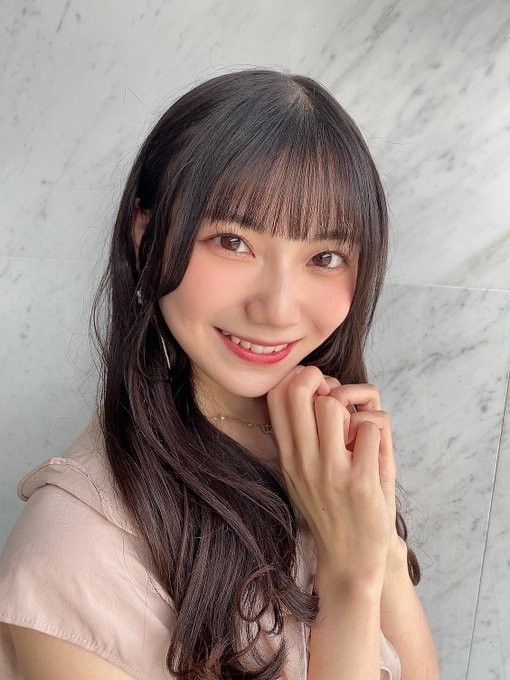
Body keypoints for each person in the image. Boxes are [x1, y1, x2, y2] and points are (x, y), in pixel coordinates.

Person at [0, 69, 439, 680]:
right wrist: (350, 579)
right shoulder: (74, 552)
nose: (278, 308)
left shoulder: (330, 454)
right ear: (146, 235)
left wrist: (376, 543)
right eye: (232, 242)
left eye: (324, 256)